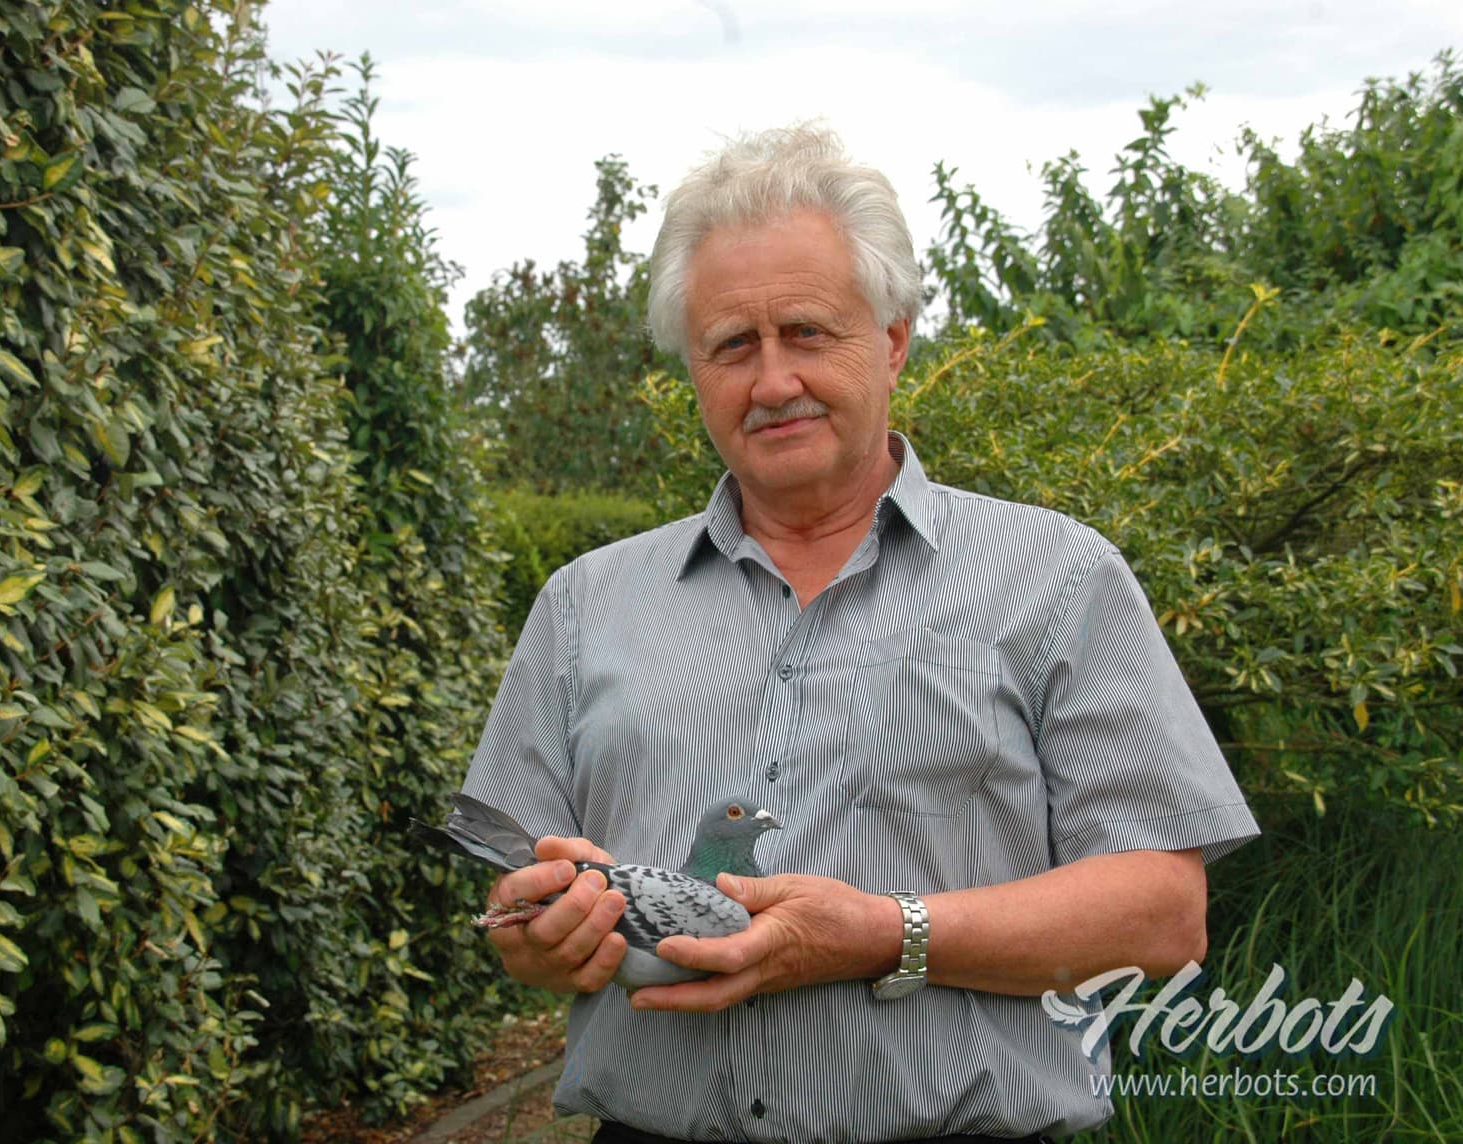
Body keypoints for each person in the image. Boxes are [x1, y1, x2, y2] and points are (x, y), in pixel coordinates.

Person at [460, 124, 1259, 1144]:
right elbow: (519, 903)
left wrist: (887, 934)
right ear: (693, 369)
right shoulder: (584, 608)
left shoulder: (1058, 581)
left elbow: (1161, 916)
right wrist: (538, 935)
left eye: (807, 331)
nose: (772, 381)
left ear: (892, 340)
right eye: (732, 345)